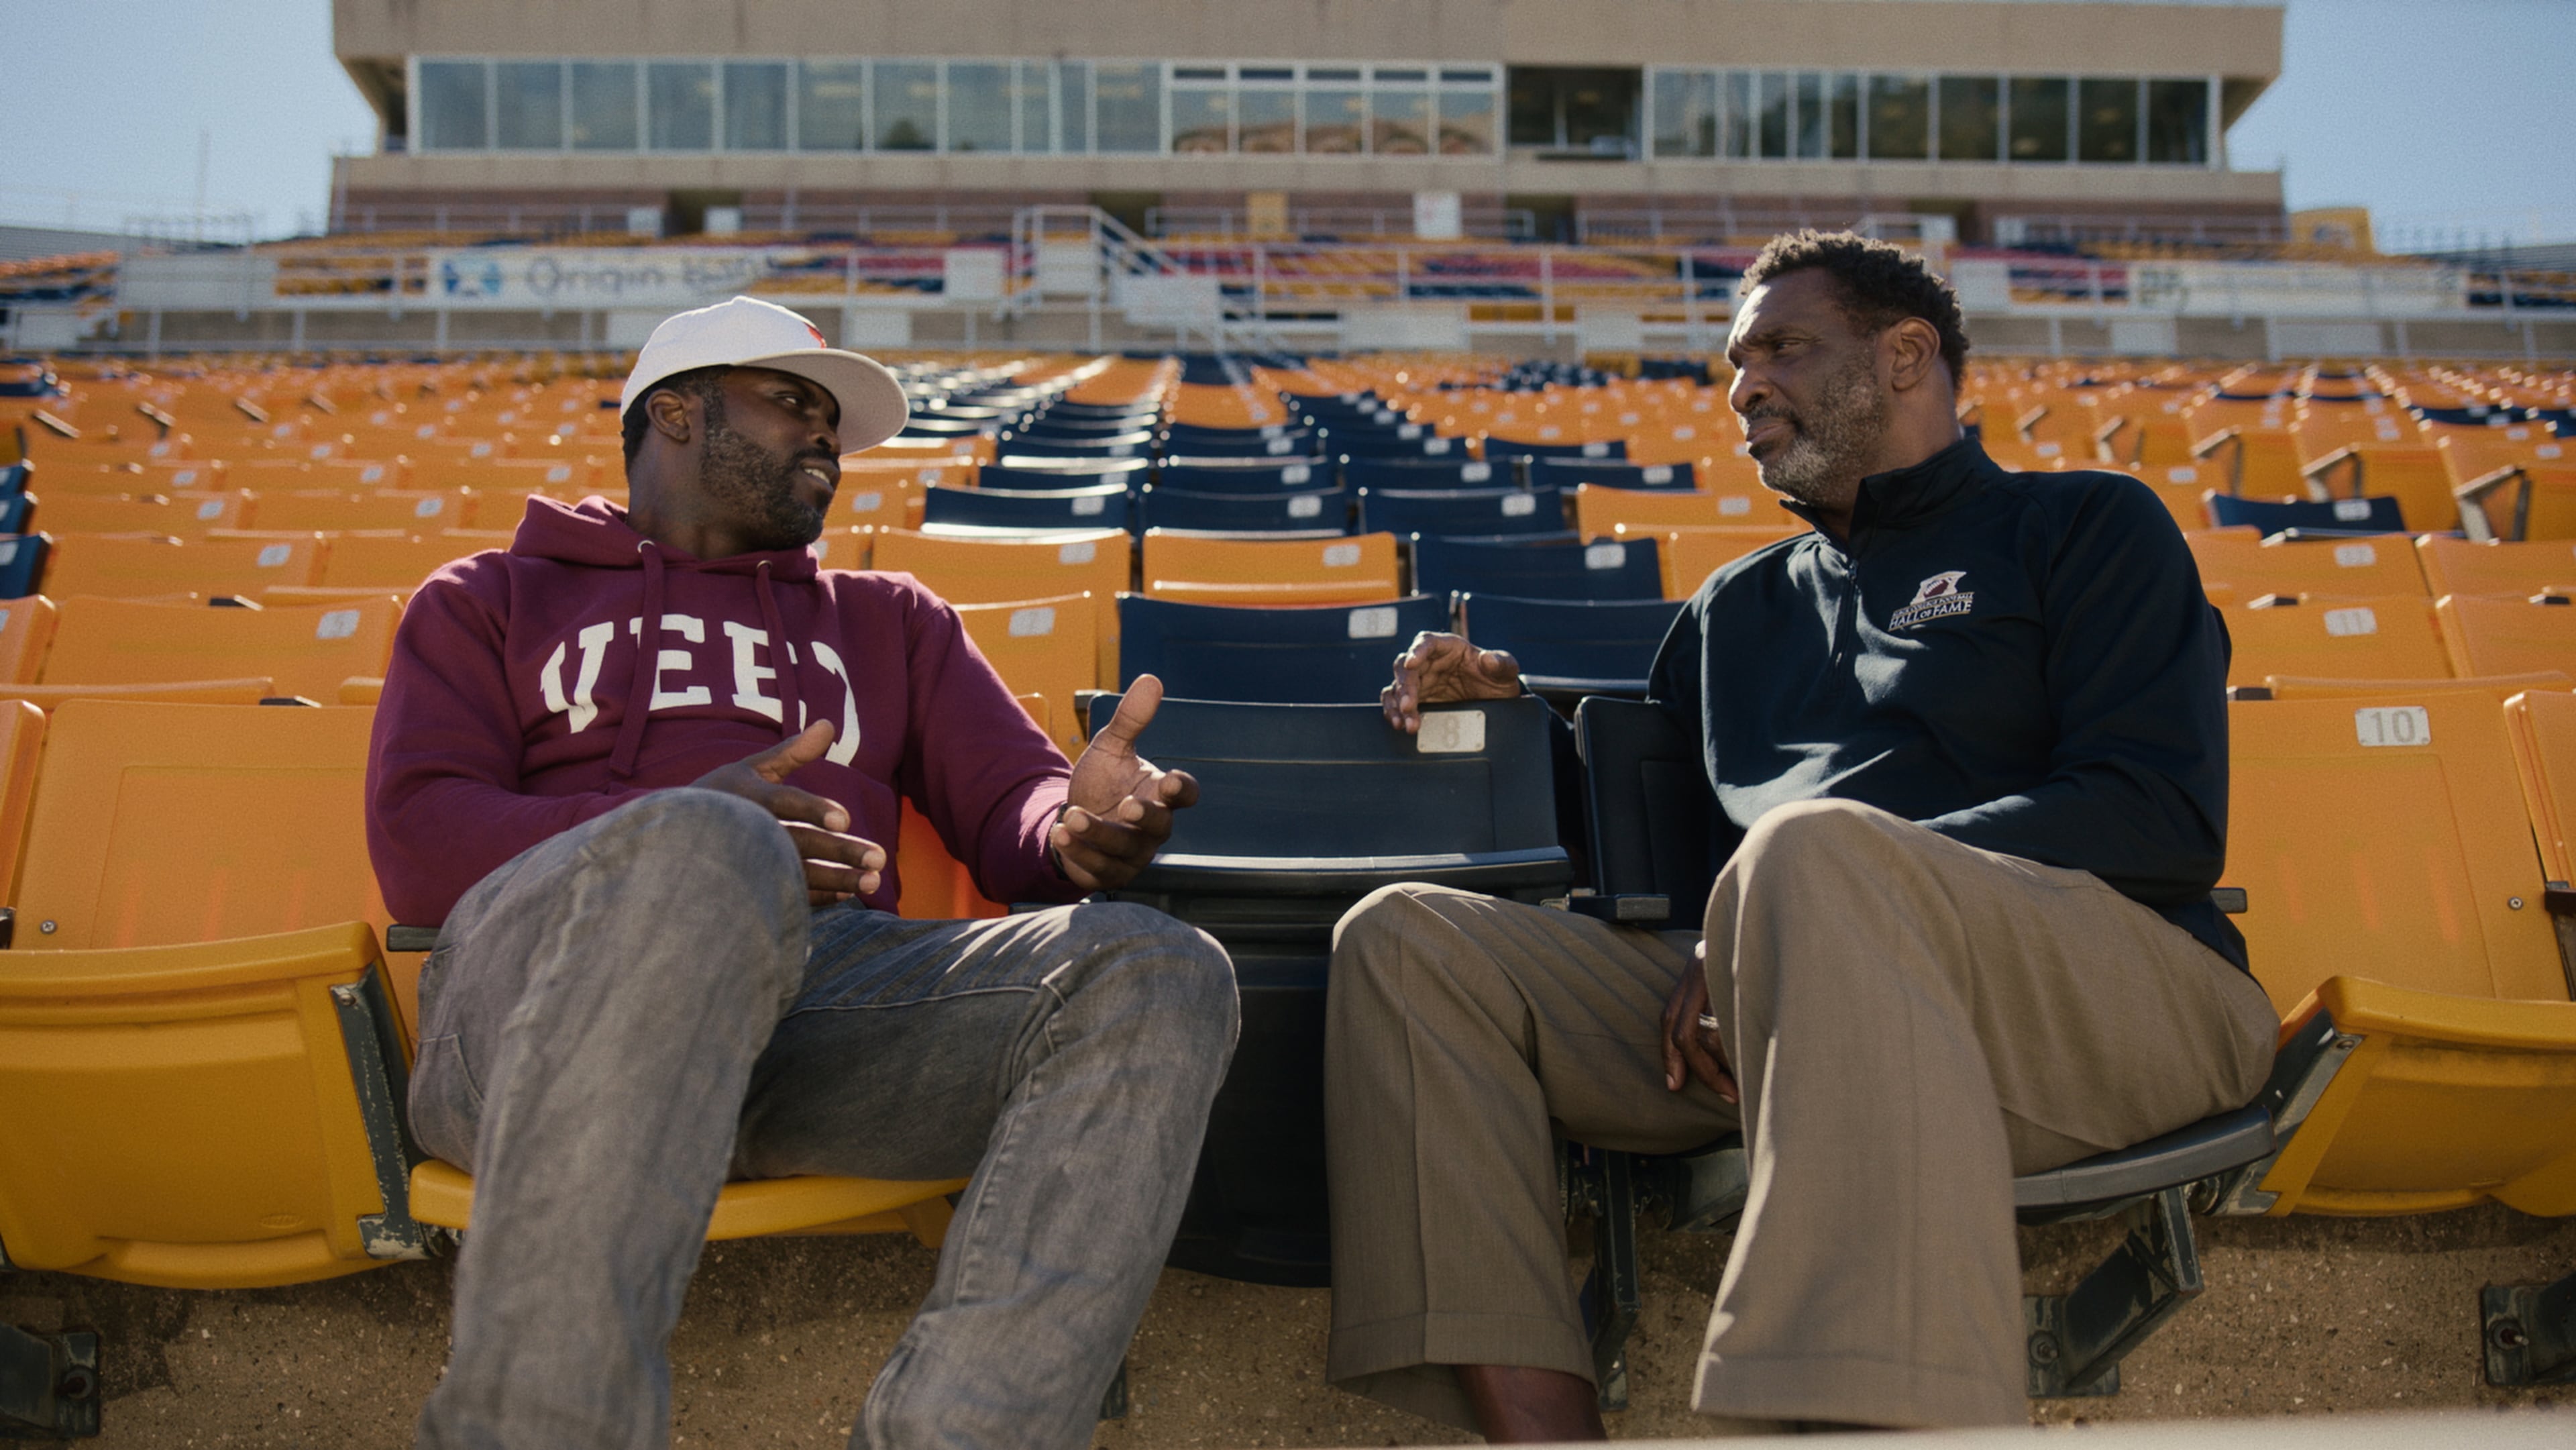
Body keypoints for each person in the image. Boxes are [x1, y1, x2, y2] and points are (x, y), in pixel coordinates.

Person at [1322, 232, 2277, 1438]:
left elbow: (2161, 816)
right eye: (1734, 362)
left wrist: (1817, 882)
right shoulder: (1737, 610)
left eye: (1782, 348)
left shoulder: (2088, 526)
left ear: (1906, 355)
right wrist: (1513, 711)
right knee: (1410, 943)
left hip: (2113, 997)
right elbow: (1642, 835)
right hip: (1784, 1006)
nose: (1743, 386)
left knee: (1811, 851)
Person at [366, 295, 1238, 1450]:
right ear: (673, 414)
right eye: (791, 402)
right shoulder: (489, 598)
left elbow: (1008, 808)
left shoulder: (888, 621)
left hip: (823, 1009)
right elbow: (421, 842)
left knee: (1161, 966)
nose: (823, 435)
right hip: (545, 1004)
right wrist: (672, 826)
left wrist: (1075, 829)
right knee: (705, 845)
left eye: (832, 417)